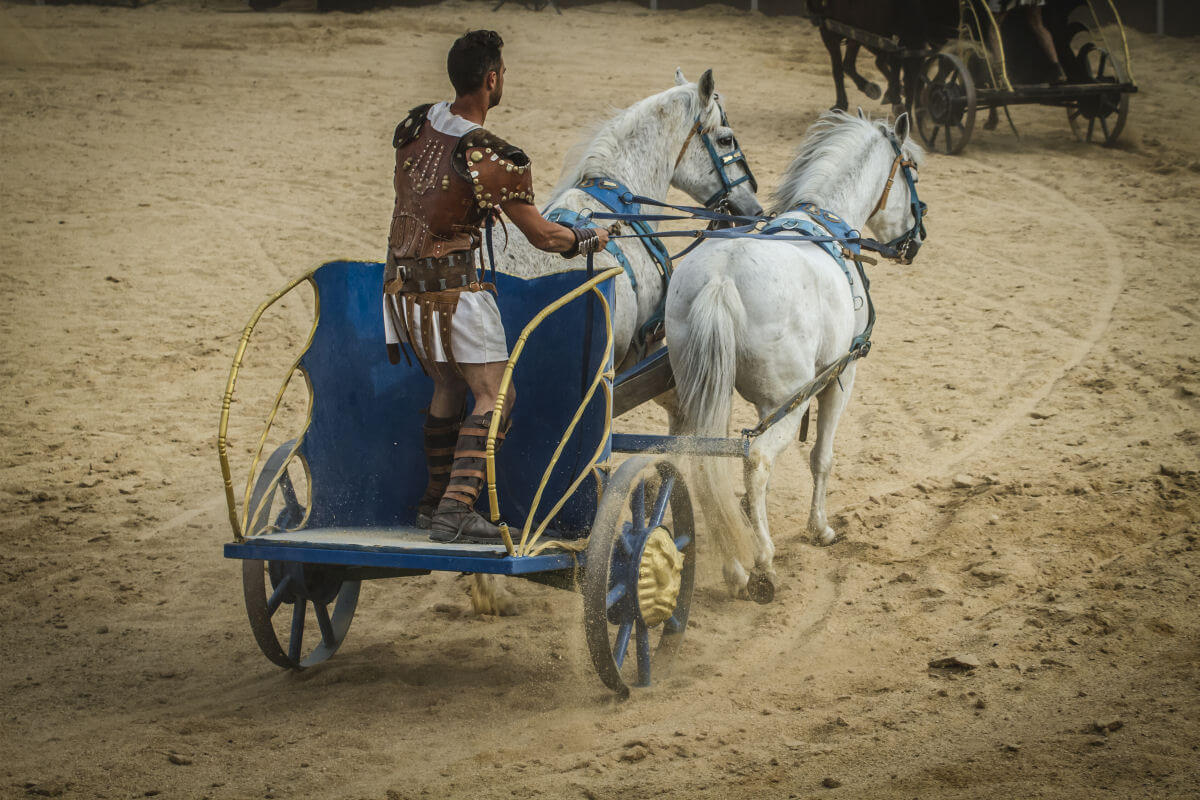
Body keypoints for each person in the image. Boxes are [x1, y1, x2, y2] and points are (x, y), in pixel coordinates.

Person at [382, 30, 609, 544]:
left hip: (401, 291)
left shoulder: (416, 124)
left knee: (447, 384)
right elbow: (543, 236)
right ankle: (456, 509)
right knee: (494, 398)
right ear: (492, 80)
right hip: (454, 295)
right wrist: (587, 237)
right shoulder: (488, 152)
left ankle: (431, 503)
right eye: (501, 73)